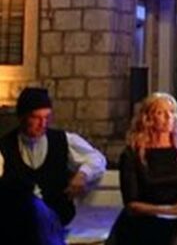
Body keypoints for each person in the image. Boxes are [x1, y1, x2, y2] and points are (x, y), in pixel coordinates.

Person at [105, 93, 177, 245]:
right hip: (144, 219)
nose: (168, 117)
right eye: (160, 112)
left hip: (176, 218)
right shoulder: (132, 154)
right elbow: (132, 205)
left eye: (171, 112)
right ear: (148, 119)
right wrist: (168, 210)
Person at [0, 87, 106, 230]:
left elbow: (97, 158)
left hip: (58, 224)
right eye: (36, 118)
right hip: (17, 228)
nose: (42, 124)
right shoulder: (5, 146)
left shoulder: (62, 140)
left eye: (47, 117)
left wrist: (83, 174)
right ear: (22, 117)